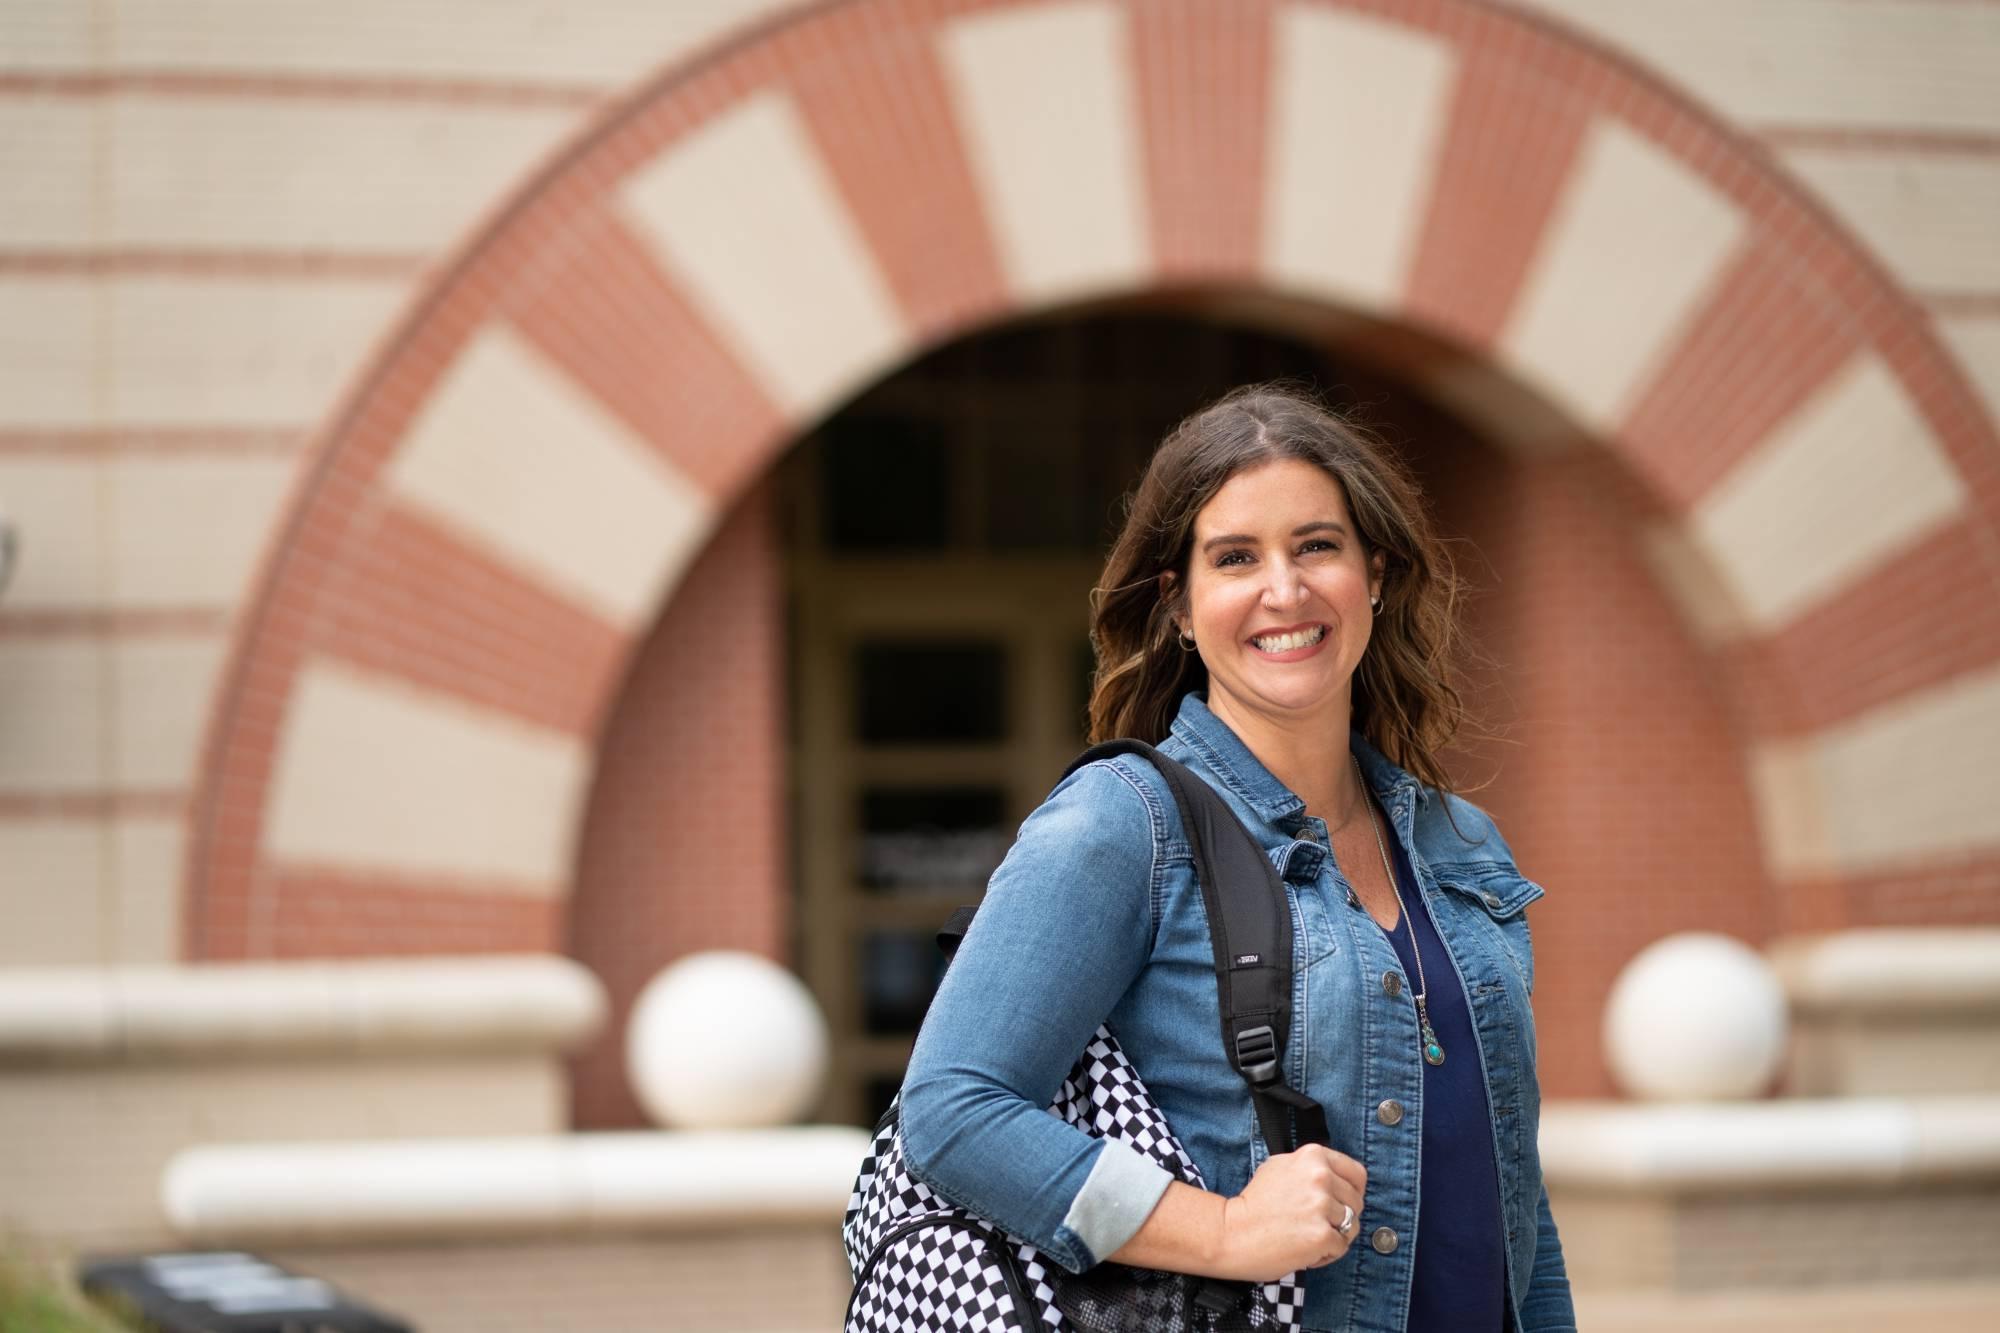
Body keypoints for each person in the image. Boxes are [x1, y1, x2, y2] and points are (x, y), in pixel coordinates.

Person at [898, 384, 1575, 1332]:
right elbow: (952, 1109)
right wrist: (1220, 1230)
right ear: (1177, 604)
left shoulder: (1457, 844)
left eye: (1316, 545)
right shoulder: (1123, 826)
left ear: (1373, 572)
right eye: (1235, 558)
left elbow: (1515, 1194)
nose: (1285, 591)